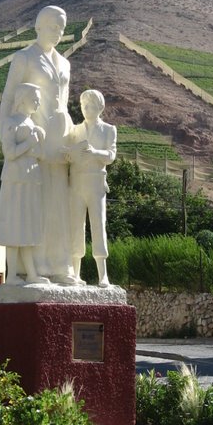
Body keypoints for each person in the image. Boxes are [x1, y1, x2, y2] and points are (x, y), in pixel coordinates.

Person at [0, 5, 77, 283]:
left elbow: (64, 101)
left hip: (59, 141)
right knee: (35, 206)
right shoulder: (24, 58)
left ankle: (59, 266)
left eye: (62, 28)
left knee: (60, 203)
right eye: (54, 27)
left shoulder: (65, 63)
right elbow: (8, 98)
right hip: (32, 143)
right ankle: (32, 268)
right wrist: (7, 136)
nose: (59, 33)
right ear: (40, 26)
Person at [0, 83, 49, 285]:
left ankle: (31, 273)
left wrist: (38, 142)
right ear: (23, 99)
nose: (38, 102)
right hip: (15, 179)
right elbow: (9, 153)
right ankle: (11, 276)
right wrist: (30, 143)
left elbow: (40, 155)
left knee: (28, 225)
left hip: (31, 178)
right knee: (15, 224)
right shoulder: (11, 123)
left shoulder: (34, 126)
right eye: (34, 98)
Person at [67, 89, 117, 286]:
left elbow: (111, 156)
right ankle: (75, 273)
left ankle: (102, 274)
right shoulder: (75, 131)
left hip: (96, 183)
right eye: (84, 106)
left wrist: (95, 152)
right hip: (77, 183)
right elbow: (68, 153)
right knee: (76, 227)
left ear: (100, 108)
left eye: (91, 106)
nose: (87, 110)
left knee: (98, 226)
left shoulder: (108, 130)